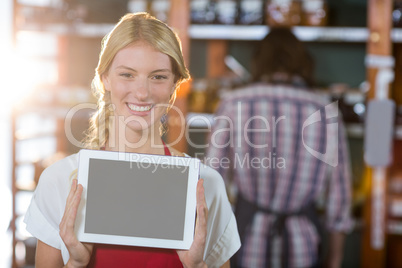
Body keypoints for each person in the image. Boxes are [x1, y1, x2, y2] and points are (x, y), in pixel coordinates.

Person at [24, 12, 240, 268]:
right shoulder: (60, 182)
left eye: (158, 76)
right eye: (127, 74)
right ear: (105, 78)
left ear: (175, 85)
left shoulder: (205, 187)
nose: (142, 92)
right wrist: (76, 264)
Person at [205, 27, 353, 268]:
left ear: (258, 61)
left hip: (244, 241)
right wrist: (335, 259)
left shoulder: (232, 104)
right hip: (302, 245)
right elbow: (340, 196)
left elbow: (212, 183)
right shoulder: (325, 111)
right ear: (303, 62)